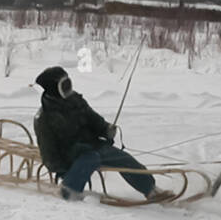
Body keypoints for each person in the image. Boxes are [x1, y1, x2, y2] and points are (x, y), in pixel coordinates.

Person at [32, 66, 156, 200]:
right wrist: (62, 169)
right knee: (91, 158)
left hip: (91, 146)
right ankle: (68, 190)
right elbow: (48, 151)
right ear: (54, 89)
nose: (69, 88)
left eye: (69, 83)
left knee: (121, 157)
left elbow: (92, 118)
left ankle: (150, 189)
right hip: (68, 156)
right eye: (64, 85)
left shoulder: (76, 101)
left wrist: (106, 129)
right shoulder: (45, 118)